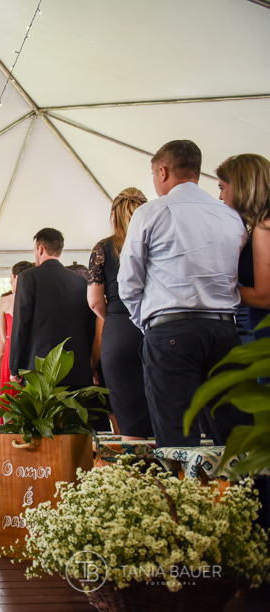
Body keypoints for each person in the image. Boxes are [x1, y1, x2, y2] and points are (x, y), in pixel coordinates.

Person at [119, 140, 251, 447]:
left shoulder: (151, 213)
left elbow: (128, 281)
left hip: (170, 330)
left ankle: (184, 495)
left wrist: (149, 324)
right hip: (224, 331)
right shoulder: (231, 217)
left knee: (177, 435)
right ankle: (237, 494)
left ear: (162, 171)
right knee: (232, 435)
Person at [88, 188, 152, 439]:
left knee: (128, 419)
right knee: (162, 412)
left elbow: (94, 301)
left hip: (119, 329)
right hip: (155, 327)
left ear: (114, 215)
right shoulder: (155, 241)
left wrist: (114, 317)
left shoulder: (103, 248)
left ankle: (132, 474)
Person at [10, 228, 98, 393]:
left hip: (41, 371)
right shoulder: (80, 281)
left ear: (40, 249)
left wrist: (15, 367)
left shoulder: (28, 277)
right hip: (77, 369)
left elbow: (21, 324)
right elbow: (90, 326)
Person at [216, 154, 270, 341]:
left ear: (241, 187)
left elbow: (264, 296)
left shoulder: (265, 228)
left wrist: (212, 287)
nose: (220, 196)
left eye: (222, 188)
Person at [0, 261, 33, 396]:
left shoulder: (5, 301)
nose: (10, 281)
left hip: (11, 356)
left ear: (17, 277)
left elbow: (1, 346)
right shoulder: (37, 299)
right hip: (32, 356)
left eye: (11, 277)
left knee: (11, 406)